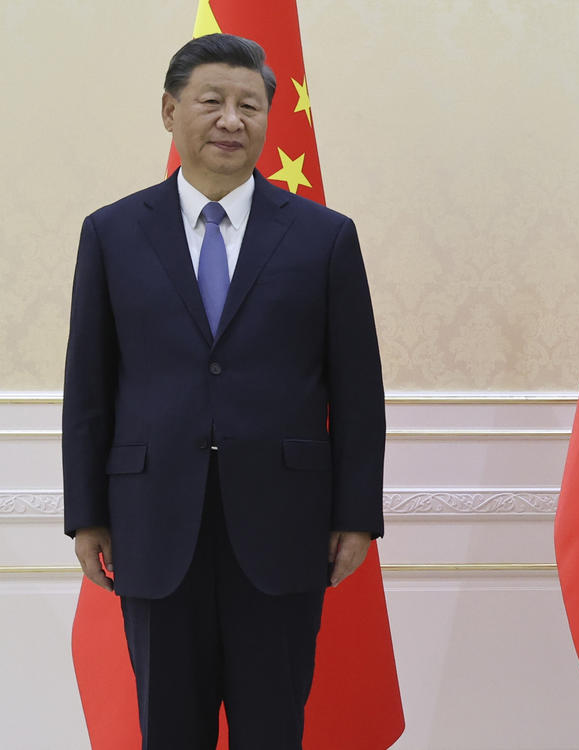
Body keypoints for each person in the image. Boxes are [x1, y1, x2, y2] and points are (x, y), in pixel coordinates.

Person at [62, 33, 385, 749]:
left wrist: (357, 514)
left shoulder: (323, 237)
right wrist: (85, 514)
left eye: (250, 105)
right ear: (171, 110)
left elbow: (358, 388)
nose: (231, 120)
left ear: (270, 119)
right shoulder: (113, 233)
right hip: (152, 522)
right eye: (212, 102)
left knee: (273, 727)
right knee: (168, 728)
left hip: (284, 525)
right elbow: (89, 385)